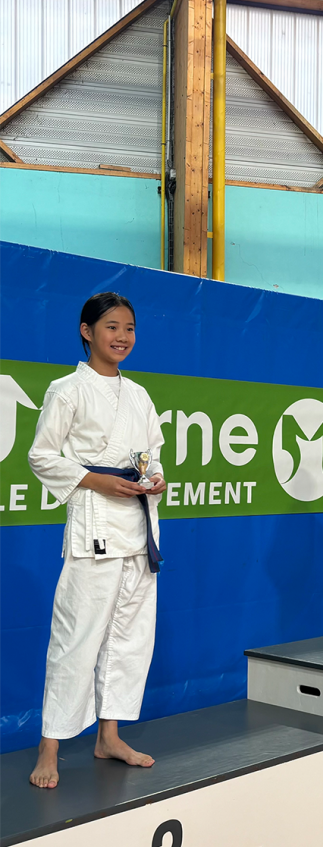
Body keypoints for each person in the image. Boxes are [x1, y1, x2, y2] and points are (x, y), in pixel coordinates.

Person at [27, 293, 166, 788]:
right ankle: (49, 747)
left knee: (129, 639)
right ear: (87, 332)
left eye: (129, 328)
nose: (122, 336)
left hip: (137, 526)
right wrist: (94, 480)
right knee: (76, 639)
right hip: (95, 525)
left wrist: (156, 479)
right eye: (111, 326)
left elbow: (152, 453)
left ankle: (109, 735)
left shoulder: (140, 395)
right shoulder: (67, 390)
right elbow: (42, 455)